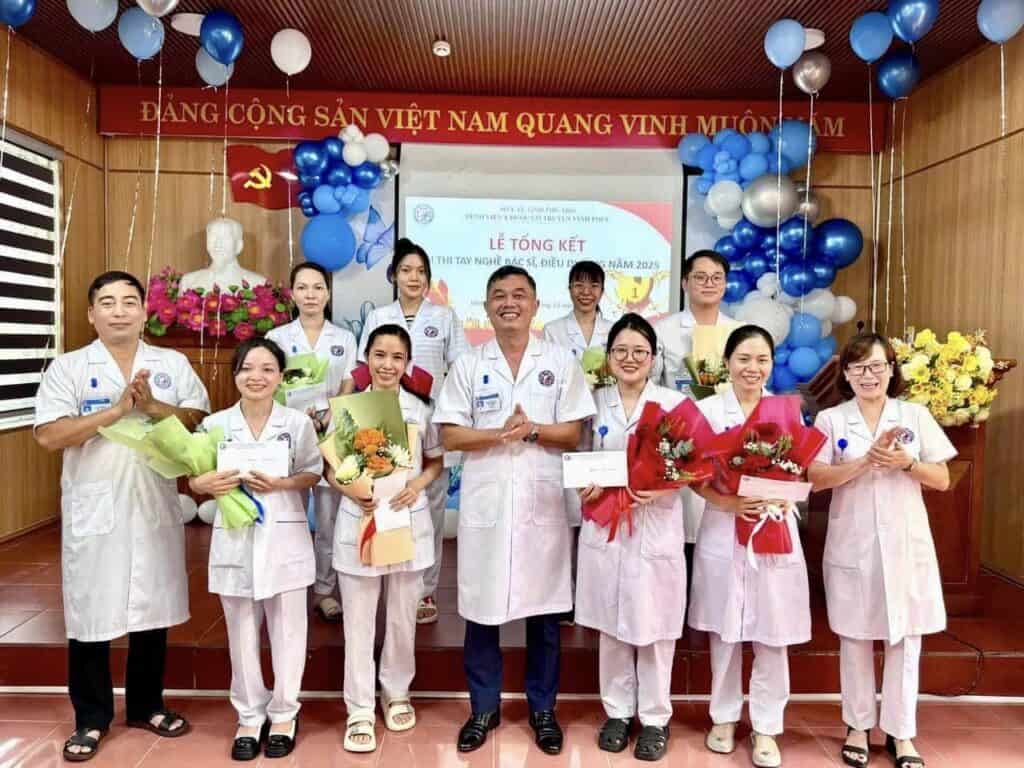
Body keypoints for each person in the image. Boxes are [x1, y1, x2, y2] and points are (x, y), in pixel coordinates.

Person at [34, 271, 210, 762]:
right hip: (97, 503)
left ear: (143, 312)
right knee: (90, 610)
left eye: (129, 301)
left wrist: (152, 406)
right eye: (107, 302)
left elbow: (200, 419)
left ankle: (147, 705)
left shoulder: (170, 363)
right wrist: (112, 414)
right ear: (91, 314)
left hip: (152, 500)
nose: (119, 311)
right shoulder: (69, 367)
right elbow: (49, 435)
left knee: (151, 606)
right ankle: (91, 718)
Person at [434, 266, 596, 755]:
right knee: (481, 611)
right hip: (488, 502)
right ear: (486, 307)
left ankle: (543, 710)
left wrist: (532, 431)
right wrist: (498, 434)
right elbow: (449, 434)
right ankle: (483, 709)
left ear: (535, 305)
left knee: (545, 615)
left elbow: (574, 431)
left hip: (542, 503)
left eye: (520, 295)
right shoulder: (468, 364)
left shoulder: (560, 361)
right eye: (500, 295)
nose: (510, 303)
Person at [808, 334, 954, 768]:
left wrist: (907, 464)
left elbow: (942, 478)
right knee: (855, 637)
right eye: (857, 368)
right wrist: (864, 462)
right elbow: (816, 478)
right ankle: (856, 726)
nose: (867, 375)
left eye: (876, 366)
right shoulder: (831, 419)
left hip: (906, 545)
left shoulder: (914, 415)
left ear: (891, 370)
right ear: (846, 374)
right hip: (853, 544)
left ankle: (901, 733)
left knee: (905, 639)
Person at [191, 338, 322, 761]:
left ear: (281, 377)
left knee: (289, 632)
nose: (257, 377)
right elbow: (194, 477)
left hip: (284, 537)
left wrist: (282, 483)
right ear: (235, 375)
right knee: (241, 631)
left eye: (267, 369)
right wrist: (202, 483)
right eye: (247, 368)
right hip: (236, 539)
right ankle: (249, 715)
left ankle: (284, 714)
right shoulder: (215, 425)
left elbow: (312, 472)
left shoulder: (297, 423)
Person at [688, 325, 809, 768]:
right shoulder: (706, 411)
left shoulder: (786, 411)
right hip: (724, 526)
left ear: (772, 365)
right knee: (725, 629)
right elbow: (691, 475)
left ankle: (767, 726)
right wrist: (729, 502)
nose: (752, 368)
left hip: (773, 528)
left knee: (772, 632)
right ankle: (723, 717)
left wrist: (783, 494)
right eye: (743, 359)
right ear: (727, 363)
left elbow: (801, 471)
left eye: (761, 360)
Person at [330, 324, 444, 753]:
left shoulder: (422, 409)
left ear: (407, 363)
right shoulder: (349, 409)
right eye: (379, 355)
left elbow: (435, 462)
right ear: (367, 359)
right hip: (361, 519)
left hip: (405, 519)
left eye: (397, 357)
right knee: (358, 621)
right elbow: (330, 469)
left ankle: (396, 692)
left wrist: (418, 485)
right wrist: (350, 490)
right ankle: (359, 707)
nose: (388, 365)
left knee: (401, 619)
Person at [575, 313, 685, 762]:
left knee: (656, 626)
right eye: (620, 350)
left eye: (639, 351)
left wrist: (661, 487)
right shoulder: (592, 402)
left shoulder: (674, 404)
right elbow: (579, 457)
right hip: (607, 525)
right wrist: (582, 485)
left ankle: (656, 718)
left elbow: (690, 466)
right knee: (612, 622)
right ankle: (618, 712)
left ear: (653, 358)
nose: (630, 358)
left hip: (654, 523)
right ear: (608, 357)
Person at [358, 238, 468, 625]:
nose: (414, 277)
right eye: (406, 270)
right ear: (394, 276)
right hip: (383, 418)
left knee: (429, 508)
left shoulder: (445, 316)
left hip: (428, 421)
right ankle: (381, 575)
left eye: (421, 271)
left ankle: (425, 589)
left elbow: (460, 370)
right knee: (382, 500)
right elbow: (362, 370)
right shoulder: (379, 316)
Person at [266, 261, 357, 623]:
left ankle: (323, 590)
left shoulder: (344, 338)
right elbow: (270, 382)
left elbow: (349, 382)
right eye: (302, 288)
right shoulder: (277, 338)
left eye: (318, 287)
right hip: (289, 433)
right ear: (292, 294)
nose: (310, 295)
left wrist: (331, 413)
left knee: (328, 516)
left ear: (328, 294)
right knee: (288, 513)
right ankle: (286, 584)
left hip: (331, 432)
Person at [652, 250, 739, 573]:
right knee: (683, 533)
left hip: (727, 440)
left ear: (726, 284)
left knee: (720, 533)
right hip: (680, 442)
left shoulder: (738, 331)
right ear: (685, 283)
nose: (709, 283)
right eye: (700, 277)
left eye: (717, 278)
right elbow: (652, 386)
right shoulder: (663, 329)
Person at [543, 260, 614, 624]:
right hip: (567, 428)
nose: (586, 292)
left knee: (603, 511)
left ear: (602, 290)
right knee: (569, 516)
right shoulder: (553, 330)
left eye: (593, 285)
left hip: (606, 423)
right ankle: (565, 597)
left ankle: (598, 595)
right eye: (579, 285)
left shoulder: (614, 330)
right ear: (569, 288)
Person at [179, 217, 267, 293]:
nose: (218, 244)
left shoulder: (258, 284)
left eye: (225, 237)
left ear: (239, 245)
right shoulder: (189, 282)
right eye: (213, 237)